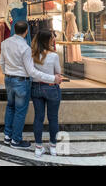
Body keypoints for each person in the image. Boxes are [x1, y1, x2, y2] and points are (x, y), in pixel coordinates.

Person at [0, 21, 61, 149]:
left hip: (8, 79)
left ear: (13, 30)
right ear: (26, 31)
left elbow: (2, 62)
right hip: (21, 81)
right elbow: (32, 71)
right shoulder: (25, 48)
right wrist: (52, 78)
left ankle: (7, 136)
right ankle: (16, 140)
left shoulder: (4, 43)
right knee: (20, 111)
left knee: (10, 107)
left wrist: (7, 73)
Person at [31, 29, 62, 157]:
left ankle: (38, 147)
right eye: (52, 38)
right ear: (48, 40)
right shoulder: (54, 56)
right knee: (53, 118)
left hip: (36, 87)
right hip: (51, 88)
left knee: (38, 117)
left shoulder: (32, 55)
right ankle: (53, 146)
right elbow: (58, 73)